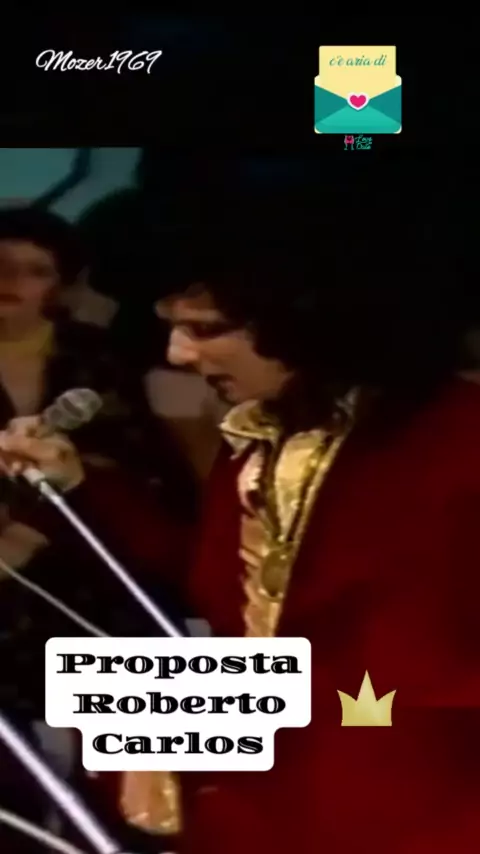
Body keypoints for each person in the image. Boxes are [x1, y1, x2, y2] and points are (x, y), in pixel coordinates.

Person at [1, 207, 480, 852]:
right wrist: (73, 489)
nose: (177, 354)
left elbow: (376, 669)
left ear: (306, 322)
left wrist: (223, 703)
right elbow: (213, 584)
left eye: (206, 329)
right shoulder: (263, 434)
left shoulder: (459, 441)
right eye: (173, 327)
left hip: (409, 801)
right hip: (274, 793)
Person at [0, 206, 195, 852]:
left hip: (89, 581)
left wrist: (42, 525)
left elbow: (146, 472)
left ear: (61, 284)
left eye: (32, 270)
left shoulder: (103, 359)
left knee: (123, 798)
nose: (9, 282)